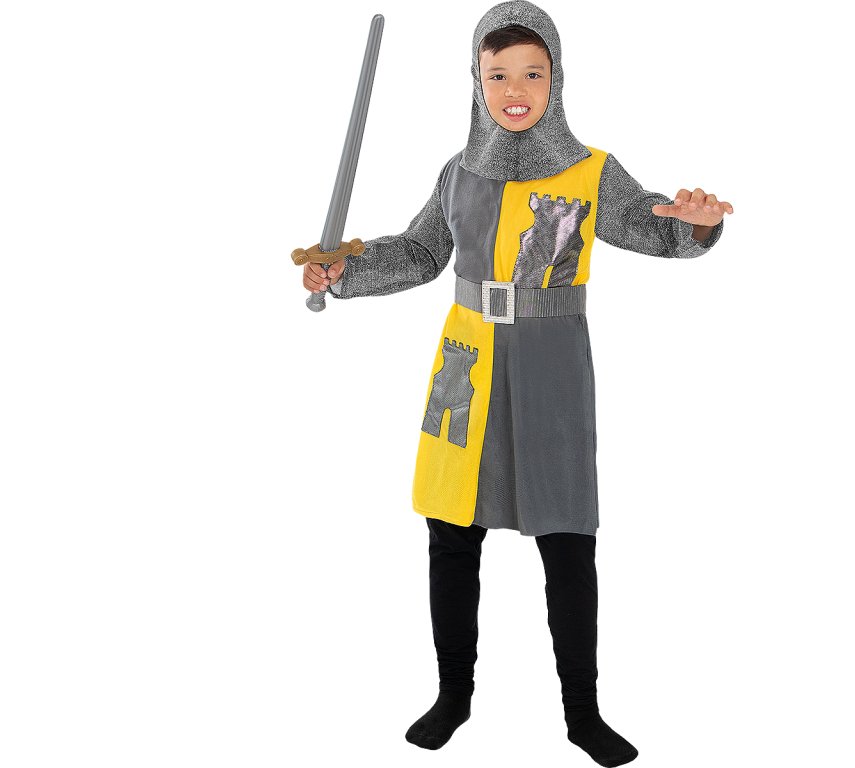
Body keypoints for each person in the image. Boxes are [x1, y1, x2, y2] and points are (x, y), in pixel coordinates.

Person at [299, 2, 732, 765]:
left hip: (551, 363)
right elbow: (419, 253)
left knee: (567, 539)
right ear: (476, 82)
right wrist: (345, 272)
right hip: (466, 361)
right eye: (497, 75)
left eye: (532, 73)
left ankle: (582, 713)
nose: (515, 90)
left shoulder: (591, 170)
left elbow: (655, 226)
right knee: (449, 536)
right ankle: (453, 695)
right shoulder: (458, 172)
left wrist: (696, 225)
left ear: (556, 79)